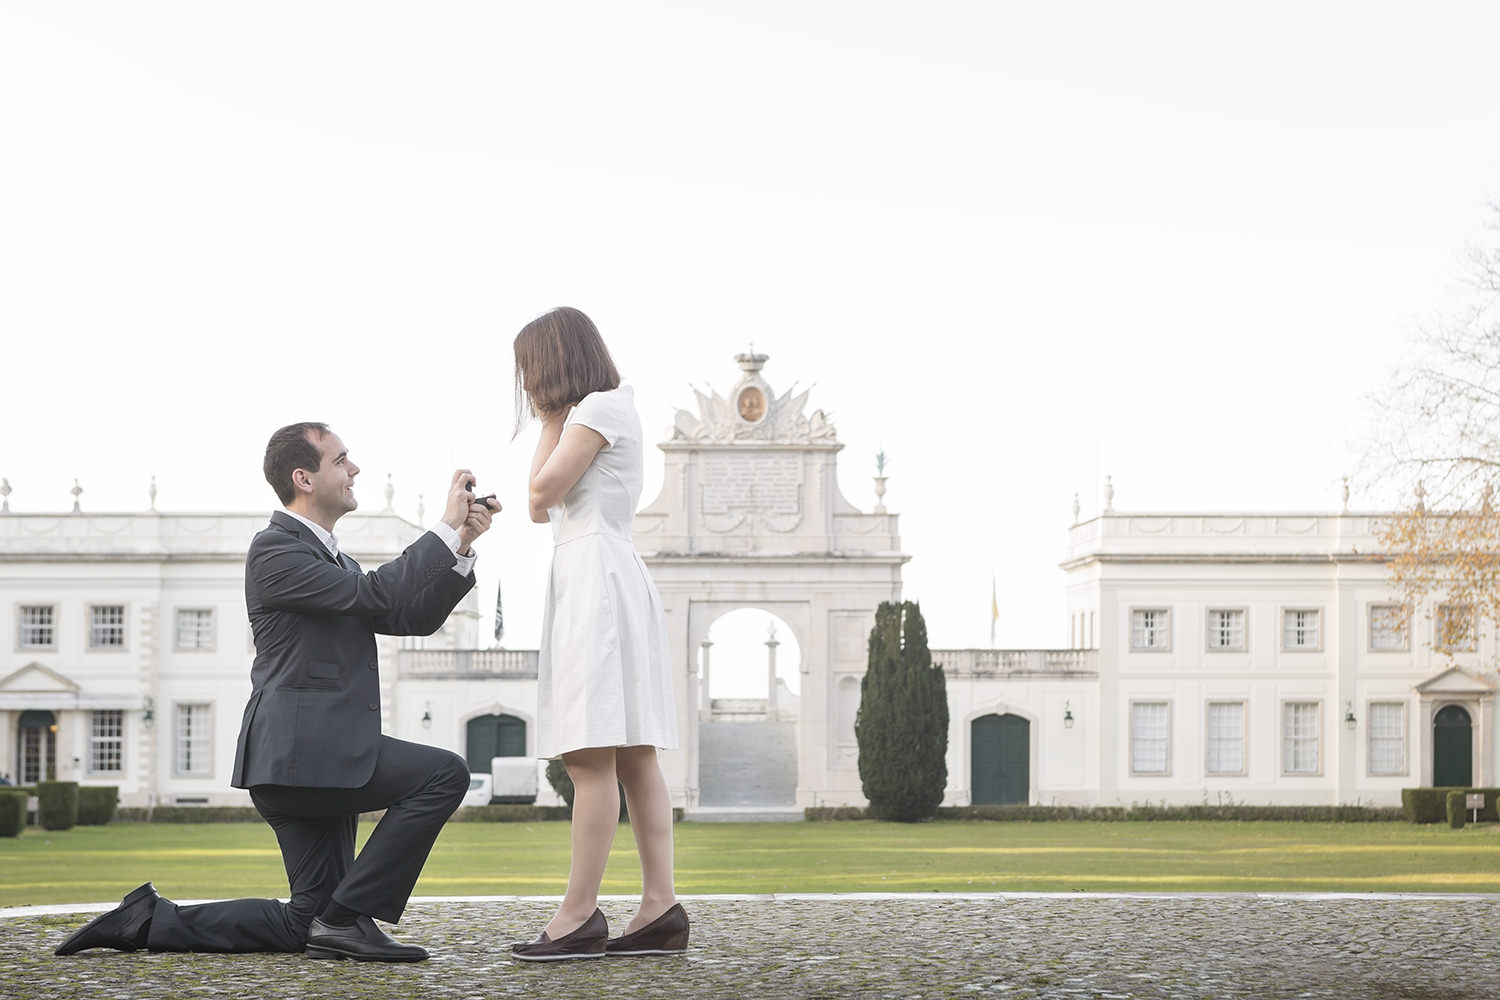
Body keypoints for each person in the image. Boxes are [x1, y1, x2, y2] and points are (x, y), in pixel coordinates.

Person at [55, 422, 494, 963]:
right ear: (303, 477)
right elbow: (379, 591)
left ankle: (149, 920)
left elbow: (410, 616)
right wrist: (445, 526)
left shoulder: (335, 561)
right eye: (342, 460)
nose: (354, 469)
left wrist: (462, 549)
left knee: (303, 922)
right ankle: (345, 918)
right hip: (306, 758)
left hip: (314, 760)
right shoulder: (275, 551)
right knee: (444, 774)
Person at [509, 307, 687, 961]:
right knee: (635, 755)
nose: (527, 386)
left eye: (532, 371)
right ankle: (659, 906)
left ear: (554, 364)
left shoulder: (597, 411)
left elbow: (538, 493)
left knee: (591, 758)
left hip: (596, 579)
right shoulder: (607, 408)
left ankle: (579, 916)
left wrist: (552, 415)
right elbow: (540, 503)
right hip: (606, 571)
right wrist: (555, 416)